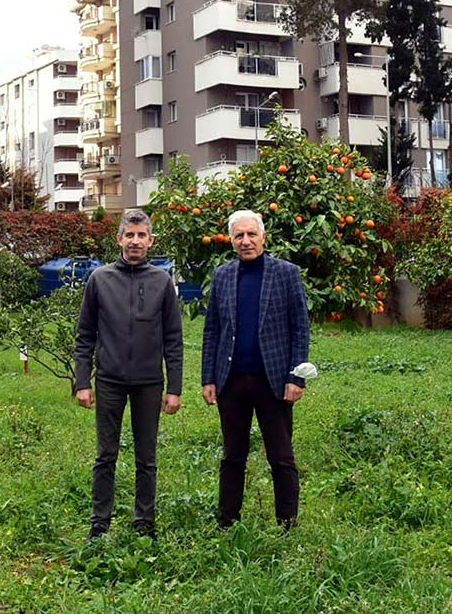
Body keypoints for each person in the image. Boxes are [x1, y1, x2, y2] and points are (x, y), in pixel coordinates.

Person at [74, 209, 183, 539]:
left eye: (141, 235)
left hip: (149, 382)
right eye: (129, 235)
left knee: (146, 457)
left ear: (151, 241)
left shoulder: (162, 282)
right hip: (109, 380)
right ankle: (99, 523)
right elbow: (85, 335)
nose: (135, 241)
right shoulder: (100, 280)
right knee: (105, 455)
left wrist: (174, 387)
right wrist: (83, 382)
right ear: (119, 238)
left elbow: (173, 339)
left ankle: (144, 524)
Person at [201, 209, 310, 529]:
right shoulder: (222, 276)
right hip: (231, 381)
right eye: (239, 236)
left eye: (251, 234)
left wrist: (296, 377)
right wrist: (208, 377)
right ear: (231, 241)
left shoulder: (286, 273)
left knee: (281, 456)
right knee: (232, 455)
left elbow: (300, 329)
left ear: (263, 237)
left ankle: (287, 524)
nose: (245, 241)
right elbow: (212, 330)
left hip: (274, 380)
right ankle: (227, 522)